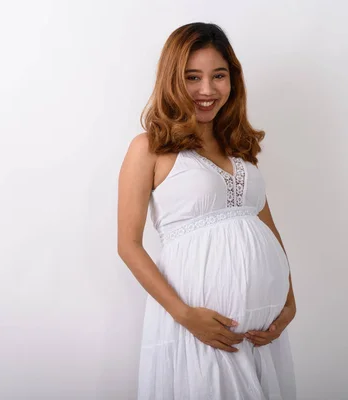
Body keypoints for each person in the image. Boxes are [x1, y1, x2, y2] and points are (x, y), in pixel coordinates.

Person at [117, 22, 297, 399]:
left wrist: (288, 301)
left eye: (219, 75)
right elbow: (128, 245)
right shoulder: (148, 148)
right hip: (197, 333)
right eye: (192, 77)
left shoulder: (239, 148)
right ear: (172, 80)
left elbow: (268, 230)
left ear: (233, 80)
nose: (207, 90)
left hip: (261, 338)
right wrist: (186, 317)